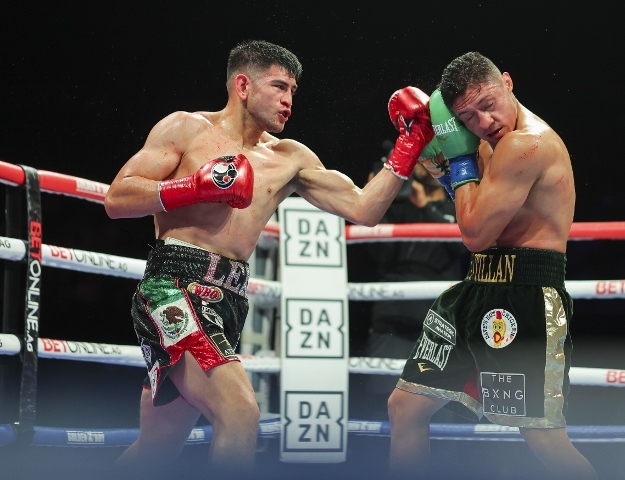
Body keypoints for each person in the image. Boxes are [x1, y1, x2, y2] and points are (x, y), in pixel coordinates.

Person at [103, 39, 434, 473]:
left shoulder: (289, 158)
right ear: (243, 86)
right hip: (174, 288)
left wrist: (409, 145)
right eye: (279, 87)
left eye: (293, 91)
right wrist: (194, 187)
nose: (288, 100)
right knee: (240, 413)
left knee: (157, 448)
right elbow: (118, 198)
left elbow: (363, 209)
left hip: (230, 301)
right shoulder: (186, 128)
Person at [387, 52, 599, 479]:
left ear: (507, 82)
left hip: (525, 294)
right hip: (477, 287)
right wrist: (435, 162)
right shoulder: (488, 142)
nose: (484, 122)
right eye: (467, 117)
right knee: (405, 407)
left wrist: (457, 159)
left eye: (488, 105)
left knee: (542, 436)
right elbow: (469, 201)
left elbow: (474, 233)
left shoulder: (526, 144)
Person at [359, 158, 467, 420]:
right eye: (425, 157)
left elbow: (465, 247)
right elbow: (378, 254)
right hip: (393, 319)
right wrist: (374, 198)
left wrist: (425, 207)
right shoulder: (397, 206)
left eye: (438, 157)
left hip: (439, 323)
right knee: (384, 403)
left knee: (439, 408)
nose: (431, 163)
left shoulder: (459, 205)